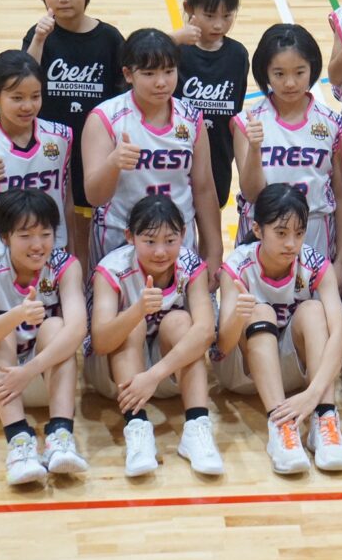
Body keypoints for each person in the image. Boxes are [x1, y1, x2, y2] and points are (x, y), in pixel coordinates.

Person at [213, 184, 342, 474]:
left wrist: (313, 394)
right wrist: (238, 317)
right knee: (259, 310)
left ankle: (324, 418)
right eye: (281, 233)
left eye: (299, 233)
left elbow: (341, 334)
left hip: (293, 374)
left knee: (314, 311)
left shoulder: (314, 264)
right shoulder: (237, 266)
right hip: (242, 370)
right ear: (258, 230)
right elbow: (222, 347)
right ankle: (281, 426)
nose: (291, 243)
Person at [0, 189, 87, 486]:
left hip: (35, 375)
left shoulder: (66, 265)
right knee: (0, 336)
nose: (38, 245)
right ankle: (19, 443)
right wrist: (18, 315)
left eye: (45, 234)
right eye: (26, 236)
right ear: (5, 237)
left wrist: (28, 371)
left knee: (57, 326)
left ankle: (60, 436)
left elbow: (78, 329)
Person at [85, 195, 223, 477]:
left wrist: (152, 376)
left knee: (182, 322)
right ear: (130, 237)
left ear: (183, 234)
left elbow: (206, 331)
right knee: (132, 325)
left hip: (163, 373)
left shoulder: (190, 265)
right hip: (113, 376)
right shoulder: (111, 268)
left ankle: (196, 427)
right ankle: (137, 427)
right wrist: (138, 310)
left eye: (170, 240)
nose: (160, 252)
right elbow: (100, 341)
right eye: (149, 241)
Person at [81, 28, 222, 280]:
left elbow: (204, 189)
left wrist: (214, 249)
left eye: (169, 71)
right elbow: (94, 196)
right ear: (128, 74)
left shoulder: (191, 118)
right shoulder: (104, 118)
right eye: (149, 73)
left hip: (176, 241)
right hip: (120, 240)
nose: (161, 82)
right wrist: (113, 163)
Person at [22, 0, 125, 272]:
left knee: (91, 220)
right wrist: (39, 40)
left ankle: (92, 280)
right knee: (54, 218)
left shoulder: (109, 38)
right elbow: (23, 79)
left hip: (95, 149)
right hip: (50, 149)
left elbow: (124, 93)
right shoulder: (39, 36)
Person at [232, 24, 342, 279]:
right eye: (279, 73)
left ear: (312, 69)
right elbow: (252, 193)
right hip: (262, 236)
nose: (289, 83)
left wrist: (341, 259)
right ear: (265, 72)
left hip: (315, 233)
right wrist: (255, 148)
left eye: (299, 72)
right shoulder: (248, 122)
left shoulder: (333, 124)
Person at [0, 50, 72, 252]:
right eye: (17, 98)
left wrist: (73, 250)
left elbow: (67, 204)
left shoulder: (61, 137)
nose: (28, 106)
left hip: (48, 251)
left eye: (35, 96)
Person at [171, 0, 250, 211]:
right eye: (209, 15)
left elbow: (235, 110)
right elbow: (139, 57)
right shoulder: (176, 51)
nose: (219, 24)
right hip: (177, 152)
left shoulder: (238, 55)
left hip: (219, 155)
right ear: (189, 8)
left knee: (212, 214)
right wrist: (173, 40)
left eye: (227, 16)